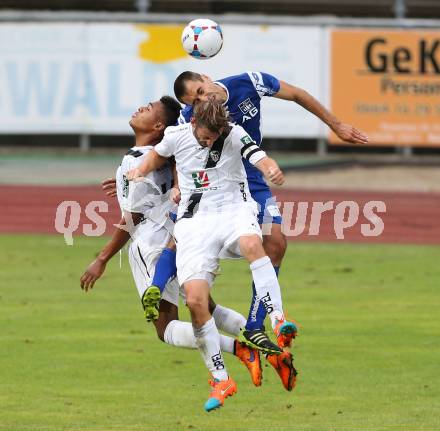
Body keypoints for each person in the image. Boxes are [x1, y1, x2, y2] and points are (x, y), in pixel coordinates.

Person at [150, 70, 369, 352]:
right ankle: (163, 286)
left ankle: (255, 324)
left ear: (206, 76)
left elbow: (298, 94)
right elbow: (180, 152)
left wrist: (336, 125)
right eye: (195, 100)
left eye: (202, 91)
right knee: (181, 238)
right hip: (215, 187)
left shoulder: (249, 82)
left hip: (252, 180)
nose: (203, 100)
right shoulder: (186, 118)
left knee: (275, 242)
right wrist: (179, 185)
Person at [79, 96, 265, 390]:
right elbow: (169, 178)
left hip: (152, 245)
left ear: (158, 126)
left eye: (149, 108)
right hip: (179, 238)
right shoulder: (168, 151)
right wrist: (125, 185)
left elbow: (134, 216)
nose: (141, 107)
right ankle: (256, 334)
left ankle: (240, 349)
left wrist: (102, 259)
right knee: (205, 305)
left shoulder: (138, 157)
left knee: (165, 328)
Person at [127, 98, 297, 412]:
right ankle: (221, 378)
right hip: (195, 223)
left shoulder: (232, 133)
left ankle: (279, 319)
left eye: (214, 137)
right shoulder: (177, 135)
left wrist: (269, 166)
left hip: (234, 210)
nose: (210, 141)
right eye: (206, 136)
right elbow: (156, 156)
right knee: (195, 301)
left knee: (251, 245)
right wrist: (139, 170)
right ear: (194, 124)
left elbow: (256, 155)